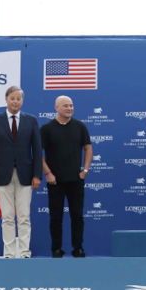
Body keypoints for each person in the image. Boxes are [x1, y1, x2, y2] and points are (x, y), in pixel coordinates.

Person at [0, 86, 43, 258]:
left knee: (24, 216)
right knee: (7, 217)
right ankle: (9, 253)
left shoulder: (31, 120)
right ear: (6, 99)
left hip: (26, 175)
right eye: (12, 98)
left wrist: (37, 175)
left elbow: (37, 150)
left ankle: (24, 253)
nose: (16, 101)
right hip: (2, 175)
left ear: (22, 100)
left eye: (19, 98)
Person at [41, 96, 92, 258]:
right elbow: (38, 153)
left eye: (71, 105)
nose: (69, 108)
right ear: (56, 108)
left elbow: (88, 149)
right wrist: (48, 173)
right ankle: (56, 249)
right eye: (65, 106)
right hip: (54, 181)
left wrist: (85, 170)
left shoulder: (80, 126)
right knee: (56, 217)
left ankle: (78, 248)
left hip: (76, 180)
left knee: (77, 216)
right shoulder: (47, 128)